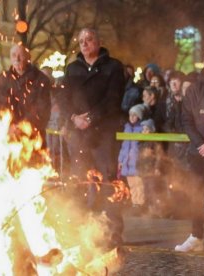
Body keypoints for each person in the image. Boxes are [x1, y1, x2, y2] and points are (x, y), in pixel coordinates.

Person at [61, 28, 125, 250]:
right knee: (80, 181)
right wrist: (72, 118)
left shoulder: (113, 67)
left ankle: (113, 233)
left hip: (103, 135)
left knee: (108, 182)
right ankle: (80, 230)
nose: (85, 44)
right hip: (78, 135)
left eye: (89, 39)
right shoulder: (72, 69)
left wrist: (91, 117)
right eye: (81, 41)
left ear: (99, 41)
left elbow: (113, 99)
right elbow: (64, 98)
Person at [175, 50, 204, 252]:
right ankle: (196, 237)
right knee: (196, 194)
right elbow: (187, 120)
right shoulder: (193, 89)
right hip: (198, 152)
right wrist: (200, 144)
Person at [0, 44, 51, 145]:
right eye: (14, 55)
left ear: (28, 57)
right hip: (6, 137)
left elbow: (42, 110)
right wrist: (6, 126)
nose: (17, 59)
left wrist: (22, 127)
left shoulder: (41, 80)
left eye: (21, 55)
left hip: (33, 139)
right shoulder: (2, 79)